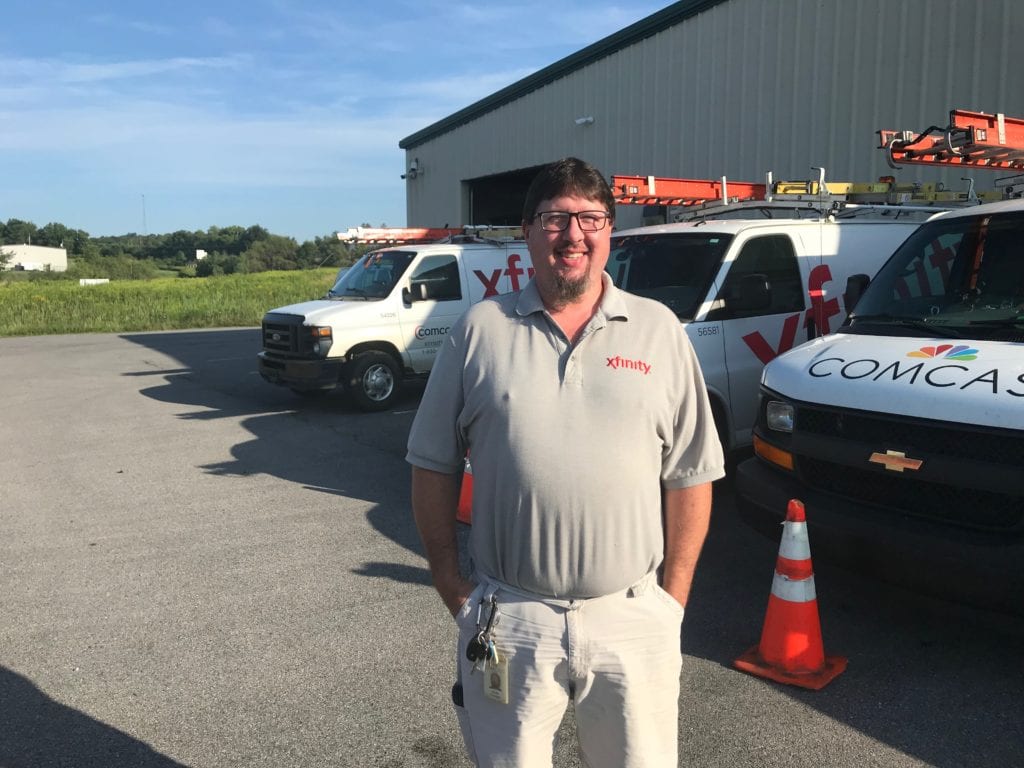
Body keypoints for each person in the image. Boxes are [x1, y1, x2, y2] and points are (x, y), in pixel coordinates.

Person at [407, 157, 725, 767]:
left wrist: (671, 602)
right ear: (528, 231)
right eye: (555, 218)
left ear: (610, 231)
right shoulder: (479, 331)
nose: (573, 234)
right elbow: (432, 463)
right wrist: (450, 582)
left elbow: (691, 474)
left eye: (590, 218)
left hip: (632, 619)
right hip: (511, 621)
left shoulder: (658, 331)